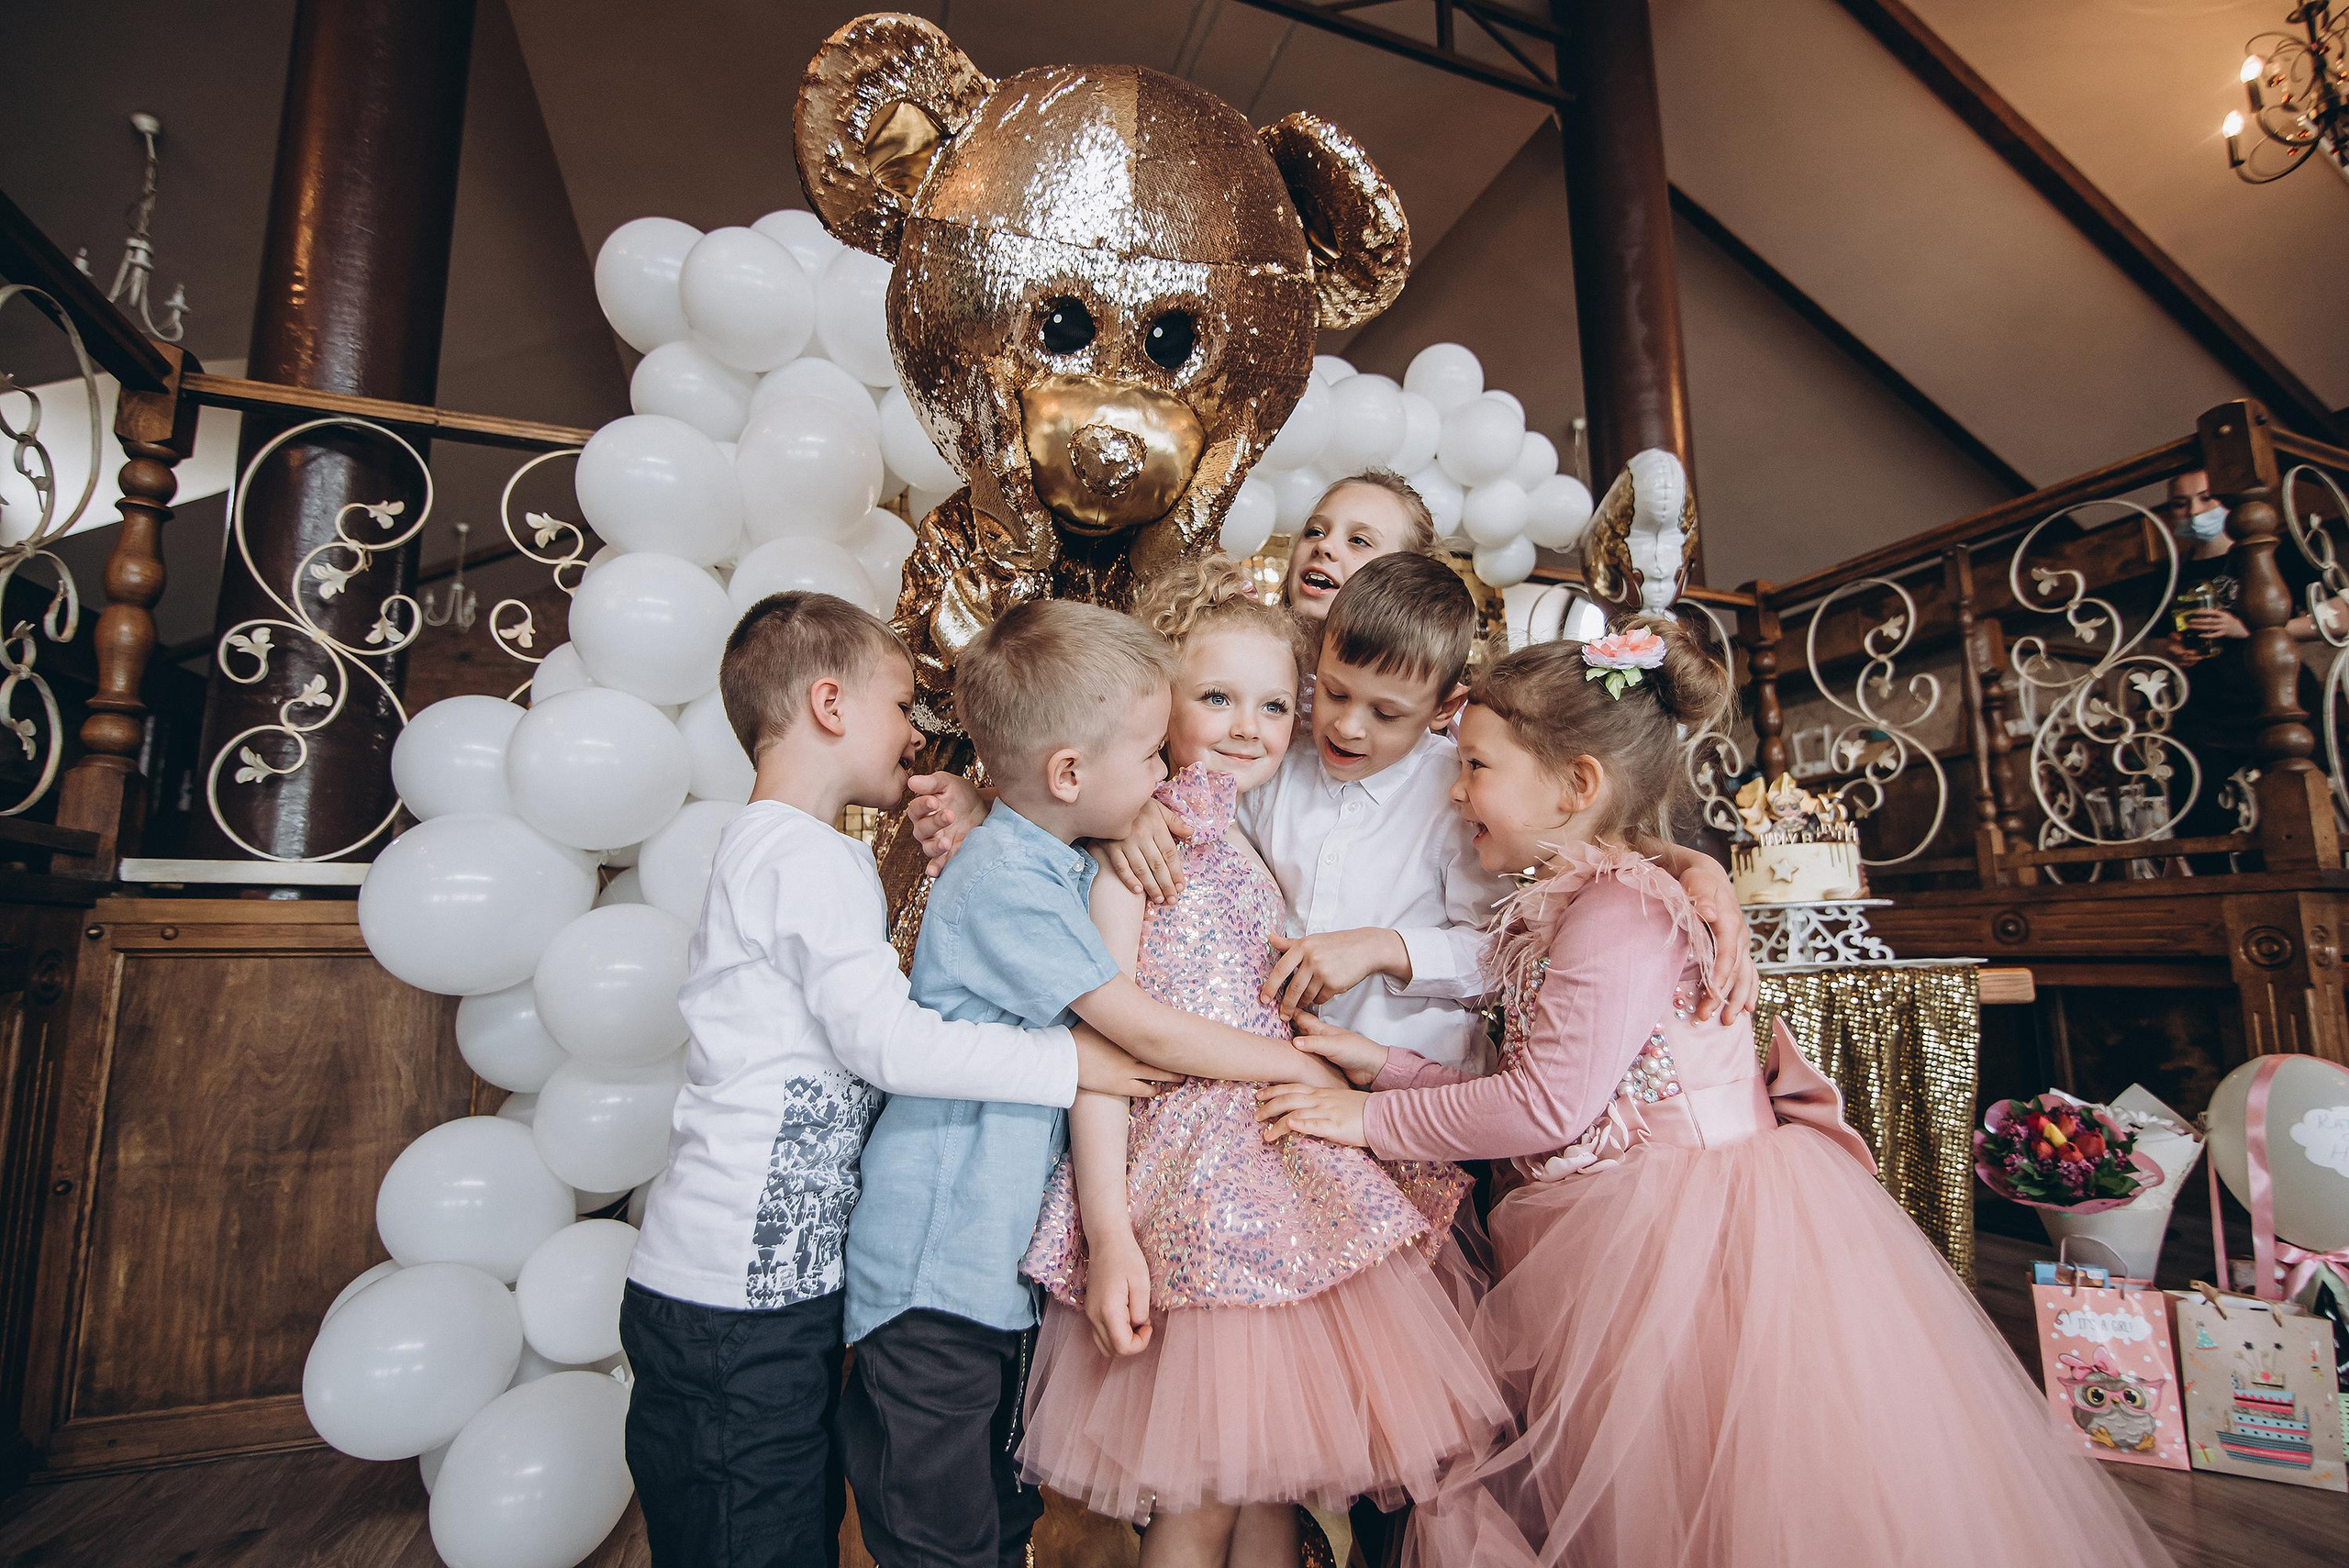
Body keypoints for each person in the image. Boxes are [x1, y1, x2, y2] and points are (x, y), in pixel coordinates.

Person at [1255, 621, 2174, 1568]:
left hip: (1684, 1241)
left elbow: (1541, 1110)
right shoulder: (1578, 897)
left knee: (1712, 1479)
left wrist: (1367, 1116)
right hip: (1615, 1226)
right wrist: (1385, 1063)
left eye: (1478, 765)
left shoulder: (1622, 910)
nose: (1456, 787)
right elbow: (1544, 1091)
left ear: (1577, 785)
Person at [620, 592, 1174, 1568]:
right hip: (726, 1290)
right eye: (900, 705)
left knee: (773, 1522)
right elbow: (890, 1043)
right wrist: (1070, 1059)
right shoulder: (807, 852)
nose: (915, 735)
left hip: (758, 1281)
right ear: (830, 705)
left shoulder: (780, 850)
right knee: (750, 1532)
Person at [839, 599, 1360, 1568]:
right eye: (1155, 754)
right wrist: (1293, 1058)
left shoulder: (1055, 856)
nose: (1167, 776)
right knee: (939, 1532)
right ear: (1072, 773)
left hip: (988, 1268)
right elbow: (1133, 1023)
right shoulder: (1004, 878)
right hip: (935, 1267)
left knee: (991, 1523)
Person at [1016, 557, 1504, 1566]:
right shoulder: (1160, 842)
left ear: (1444, 711)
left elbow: (1495, 945)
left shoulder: (1432, 798)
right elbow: (1111, 1040)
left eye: (1272, 703)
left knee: (1276, 1487)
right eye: (1223, 698)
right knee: (1202, 1493)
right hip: (1203, 1181)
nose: (1258, 725)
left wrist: (1370, 961)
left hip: (1319, 1152)